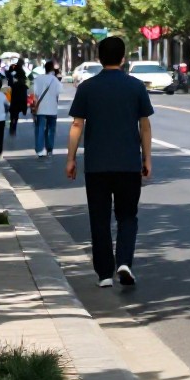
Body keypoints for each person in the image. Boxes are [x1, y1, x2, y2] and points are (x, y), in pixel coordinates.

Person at [65, 37, 154, 288]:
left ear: (99, 57)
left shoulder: (87, 88)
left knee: (99, 218)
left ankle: (104, 274)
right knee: (128, 216)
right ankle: (124, 261)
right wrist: (146, 158)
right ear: (123, 58)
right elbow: (144, 126)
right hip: (128, 163)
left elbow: (76, 124)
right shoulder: (136, 87)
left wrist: (71, 159)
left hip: (96, 166)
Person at [31, 61, 62, 158]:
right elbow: (59, 92)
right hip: (52, 108)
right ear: (52, 69)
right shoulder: (55, 80)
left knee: (40, 128)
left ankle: (39, 150)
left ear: (45, 68)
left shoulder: (38, 79)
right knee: (51, 129)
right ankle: (49, 149)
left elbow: (33, 93)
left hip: (41, 108)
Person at [6, 58, 27, 137]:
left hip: (14, 93)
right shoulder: (23, 72)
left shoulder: (13, 68)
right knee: (17, 112)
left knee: (13, 112)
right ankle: (13, 127)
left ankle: (12, 125)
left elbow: (8, 74)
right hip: (20, 94)